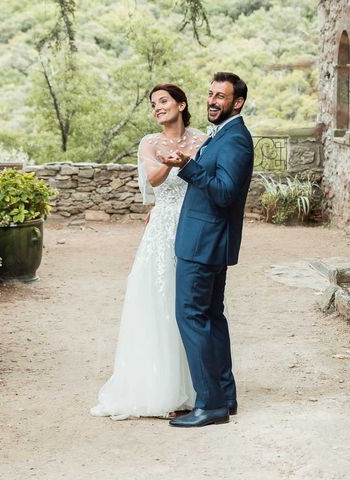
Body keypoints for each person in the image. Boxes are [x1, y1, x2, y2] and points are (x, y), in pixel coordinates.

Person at [90, 84, 207, 420]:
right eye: (153, 104)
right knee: (158, 299)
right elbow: (153, 181)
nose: (157, 107)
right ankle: (162, 388)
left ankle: (197, 386)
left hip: (193, 221)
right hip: (162, 228)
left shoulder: (202, 140)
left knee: (190, 300)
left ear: (182, 104)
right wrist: (171, 164)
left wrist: (187, 161)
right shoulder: (149, 143)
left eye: (164, 101)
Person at [161, 72, 254, 428]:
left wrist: (188, 167)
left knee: (192, 317)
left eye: (221, 96)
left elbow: (225, 192)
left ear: (238, 102)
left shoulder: (236, 140)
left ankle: (210, 404)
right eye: (210, 94)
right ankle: (224, 397)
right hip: (207, 242)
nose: (213, 100)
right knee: (212, 319)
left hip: (204, 244)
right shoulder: (223, 134)